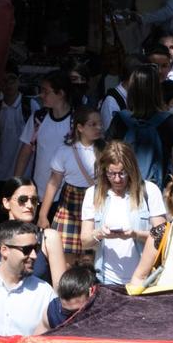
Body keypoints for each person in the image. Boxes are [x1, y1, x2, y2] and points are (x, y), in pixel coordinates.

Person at [79, 142, 163, 286]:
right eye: (111, 173)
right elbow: (85, 241)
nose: (117, 179)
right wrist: (100, 233)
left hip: (144, 280)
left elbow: (162, 236)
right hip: (105, 279)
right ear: (104, 171)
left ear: (131, 170)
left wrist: (135, 234)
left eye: (122, 173)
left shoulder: (150, 191)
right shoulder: (92, 194)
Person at [38, 106, 103, 252]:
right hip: (70, 205)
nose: (98, 127)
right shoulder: (65, 151)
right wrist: (43, 215)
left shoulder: (106, 151)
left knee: (91, 255)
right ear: (79, 127)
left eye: (100, 123)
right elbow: (54, 183)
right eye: (92, 124)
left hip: (96, 203)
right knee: (66, 256)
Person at [106, 67, 173, 189]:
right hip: (158, 190)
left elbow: (108, 156)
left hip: (126, 189)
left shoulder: (120, 120)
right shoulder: (170, 121)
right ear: (158, 91)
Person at [0, 180, 62, 287]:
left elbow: (61, 291)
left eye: (34, 200)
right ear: (6, 202)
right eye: (23, 199)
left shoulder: (49, 238)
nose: (29, 205)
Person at [11, 70, 72, 187]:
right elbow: (25, 153)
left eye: (45, 91)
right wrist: (15, 186)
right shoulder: (38, 118)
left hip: (66, 193)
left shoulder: (76, 121)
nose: (41, 95)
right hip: (38, 190)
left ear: (60, 93)